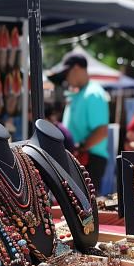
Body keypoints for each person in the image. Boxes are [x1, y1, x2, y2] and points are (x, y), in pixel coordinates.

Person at [49, 53, 109, 191]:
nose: (66, 78)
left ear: (76, 68)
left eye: (67, 73)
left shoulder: (93, 93)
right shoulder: (81, 93)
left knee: (86, 207)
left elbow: (101, 131)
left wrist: (79, 148)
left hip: (89, 159)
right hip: (80, 157)